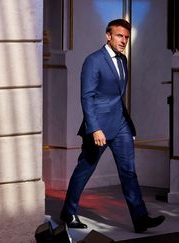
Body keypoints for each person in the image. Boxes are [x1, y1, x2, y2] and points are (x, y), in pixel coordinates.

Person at [59, 19, 165, 233]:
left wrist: (128, 126)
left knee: (129, 172)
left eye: (126, 37)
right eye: (119, 36)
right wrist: (94, 128)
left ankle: (140, 218)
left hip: (121, 125)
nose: (123, 40)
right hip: (98, 127)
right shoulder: (93, 61)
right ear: (108, 36)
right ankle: (68, 213)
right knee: (84, 169)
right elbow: (87, 97)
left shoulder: (123, 60)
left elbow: (117, 97)